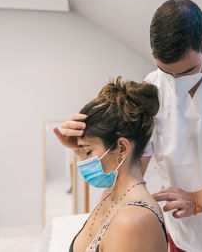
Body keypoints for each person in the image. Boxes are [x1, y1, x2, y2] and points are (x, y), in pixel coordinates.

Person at [57, 0, 202, 252]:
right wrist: (84, 148)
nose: (175, 81)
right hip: (182, 237)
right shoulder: (153, 85)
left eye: (187, 71)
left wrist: (196, 200)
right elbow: (130, 168)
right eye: (166, 71)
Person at [54, 77, 168, 252]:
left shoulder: (133, 220)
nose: (82, 162)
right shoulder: (113, 194)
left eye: (88, 152)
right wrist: (81, 147)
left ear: (121, 147)